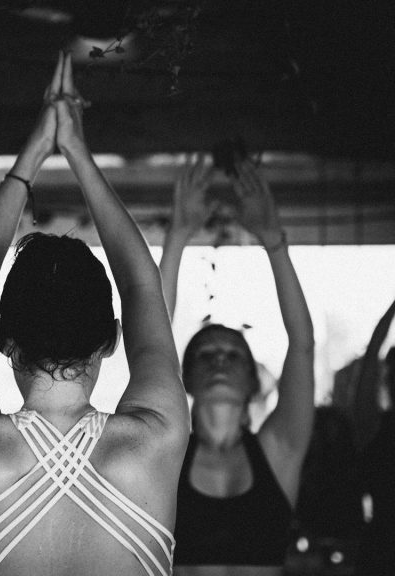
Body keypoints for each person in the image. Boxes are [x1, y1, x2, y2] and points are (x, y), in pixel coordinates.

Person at [0, 51, 190, 576]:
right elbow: (143, 285)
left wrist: (33, 156)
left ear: (1, 337)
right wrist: (78, 151)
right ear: (112, 338)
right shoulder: (155, 439)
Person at [160, 158, 315, 575]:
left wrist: (272, 239)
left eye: (233, 355)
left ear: (252, 378)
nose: (220, 362)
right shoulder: (164, 457)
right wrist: (177, 235)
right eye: (206, 355)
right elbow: (150, 340)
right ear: (186, 376)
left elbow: (302, 346)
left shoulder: (279, 451)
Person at [353, 297, 395, 575]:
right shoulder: (375, 427)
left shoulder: (373, 426)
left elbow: (371, 359)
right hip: (382, 549)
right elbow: (370, 359)